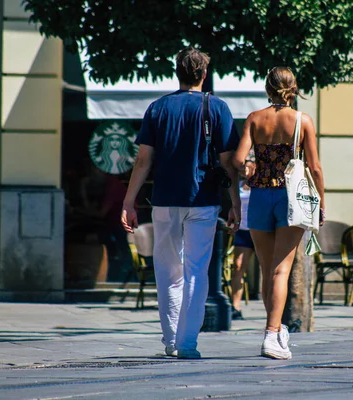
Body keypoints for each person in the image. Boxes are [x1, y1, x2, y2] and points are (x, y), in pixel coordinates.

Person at [121, 47, 241, 359]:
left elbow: (143, 160)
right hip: (202, 200)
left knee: (166, 270)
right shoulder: (217, 108)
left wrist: (129, 201)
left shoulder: (158, 108)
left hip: (163, 200)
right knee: (196, 271)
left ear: (178, 73)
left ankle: (170, 340)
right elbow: (229, 162)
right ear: (204, 74)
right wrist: (235, 203)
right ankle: (187, 342)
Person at [234, 67, 325, 360]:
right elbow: (315, 167)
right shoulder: (302, 120)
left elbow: (238, 159)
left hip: (259, 195)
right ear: (294, 88)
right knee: (281, 269)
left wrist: (250, 170)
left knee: (266, 268)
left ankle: (277, 328)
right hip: (290, 197)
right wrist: (320, 202)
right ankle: (272, 334)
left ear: (267, 88)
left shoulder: (254, 119)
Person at [231, 160, 256, 320]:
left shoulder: (261, 184)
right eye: (243, 166)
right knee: (238, 266)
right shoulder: (239, 185)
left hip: (259, 229)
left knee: (270, 270)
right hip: (243, 230)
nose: (245, 169)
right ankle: (236, 306)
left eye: (248, 166)